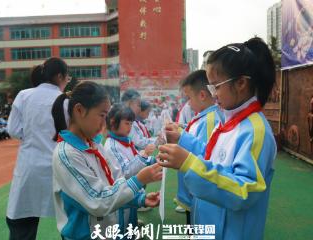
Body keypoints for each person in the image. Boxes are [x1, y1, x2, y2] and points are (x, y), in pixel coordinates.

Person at [158, 37, 277, 240]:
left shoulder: (256, 131)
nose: (213, 94)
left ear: (241, 83)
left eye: (216, 86)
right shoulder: (228, 120)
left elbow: (244, 190)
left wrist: (189, 163)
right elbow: (212, 155)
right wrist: (182, 139)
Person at [51, 82, 162, 240]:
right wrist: (139, 179)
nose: (105, 123)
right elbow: (98, 200)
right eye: (102, 115)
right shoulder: (66, 154)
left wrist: (140, 199)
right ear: (79, 110)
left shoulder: (95, 146)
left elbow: (115, 182)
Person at [6, 57, 70, 240]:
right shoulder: (65, 101)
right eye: (67, 77)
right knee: (70, 221)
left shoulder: (24, 95)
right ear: (59, 76)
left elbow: (13, 130)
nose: (67, 80)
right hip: (59, 168)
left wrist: (30, 137)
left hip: (30, 167)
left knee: (22, 221)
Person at [167, 70, 223, 220]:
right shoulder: (203, 117)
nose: (188, 103)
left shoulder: (211, 119)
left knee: (196, 228)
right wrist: (180, 130)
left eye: (189, 98)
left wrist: (181, 136)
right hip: (192, 190)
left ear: (203, 95)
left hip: (198, 193)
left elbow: (207, 154)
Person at [104, 103, 157, 235]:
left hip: (131, 190)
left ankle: (132, 230)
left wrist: (154, 160)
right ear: (113, 122)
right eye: (127, 123)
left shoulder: (124, 140)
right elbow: (126, 171)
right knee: (123, 221)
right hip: (121, 192)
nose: (130, 127)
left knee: (131, 216)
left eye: (131, 123)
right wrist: (145, 155)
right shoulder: (112, 146)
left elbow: (134, 158)